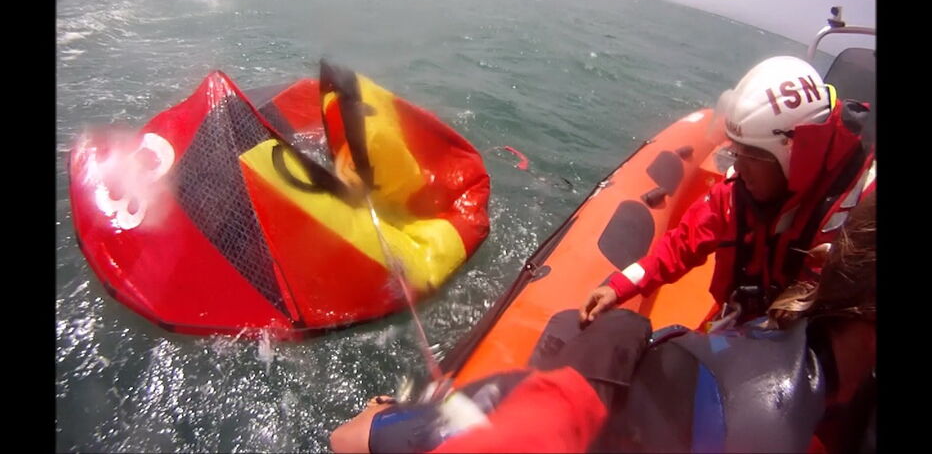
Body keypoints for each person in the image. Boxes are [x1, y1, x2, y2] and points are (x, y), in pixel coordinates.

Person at [329, 191, 876, 453]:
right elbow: (680, 246)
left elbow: (345, 439)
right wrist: (618, 286)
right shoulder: (736, 203)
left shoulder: (599, 392)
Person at [580, 55, 874, 327]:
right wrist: (619, 286)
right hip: (742, 328)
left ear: (796, 154)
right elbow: (681, 243)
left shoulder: (863, 212)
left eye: (753, 155)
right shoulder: (738, 193)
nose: (739, 168)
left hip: (806, 355)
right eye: (737, 151)